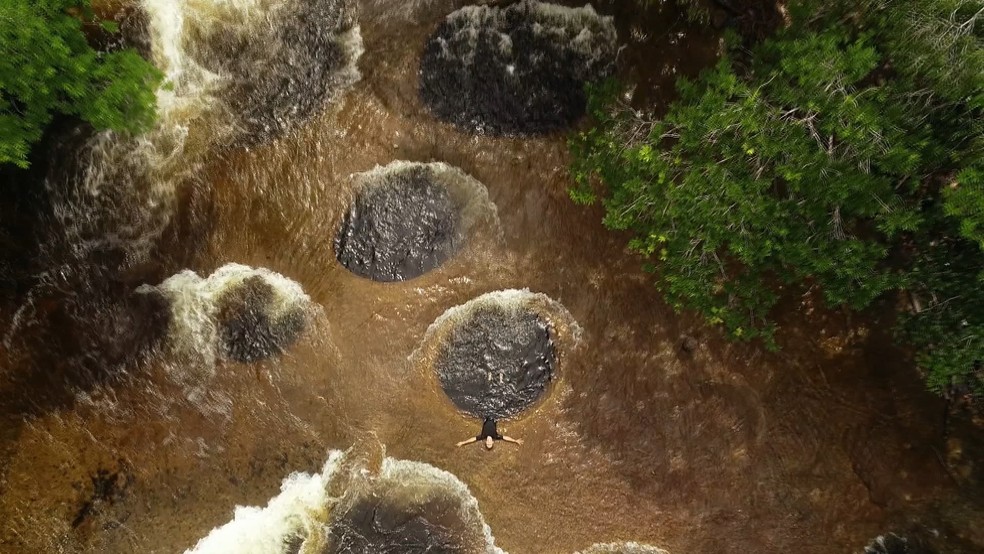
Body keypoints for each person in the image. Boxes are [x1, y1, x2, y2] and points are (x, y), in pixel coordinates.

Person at [456, 416, 523, 449]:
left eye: (488, 444)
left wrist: (463, 443)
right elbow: (505, 438)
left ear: (486, 442)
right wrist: (515, 441)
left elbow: (473, 439)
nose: (489, 442)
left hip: (485, 417)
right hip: (494, 417)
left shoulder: (482, 436)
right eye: (490, 443)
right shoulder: (496, 436)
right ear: (492, 442)